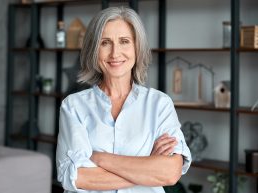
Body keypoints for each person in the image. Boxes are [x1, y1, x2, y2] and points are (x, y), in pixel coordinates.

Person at [56, 6, 191, 193]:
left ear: (137, 47)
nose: (115, 53)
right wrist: (148, 168)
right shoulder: (73, 106)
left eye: (124, 41)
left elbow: (170, 173)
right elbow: (75, 177)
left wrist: (100, 158)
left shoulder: (160, 104)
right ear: (94, 50)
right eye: (105, 43)